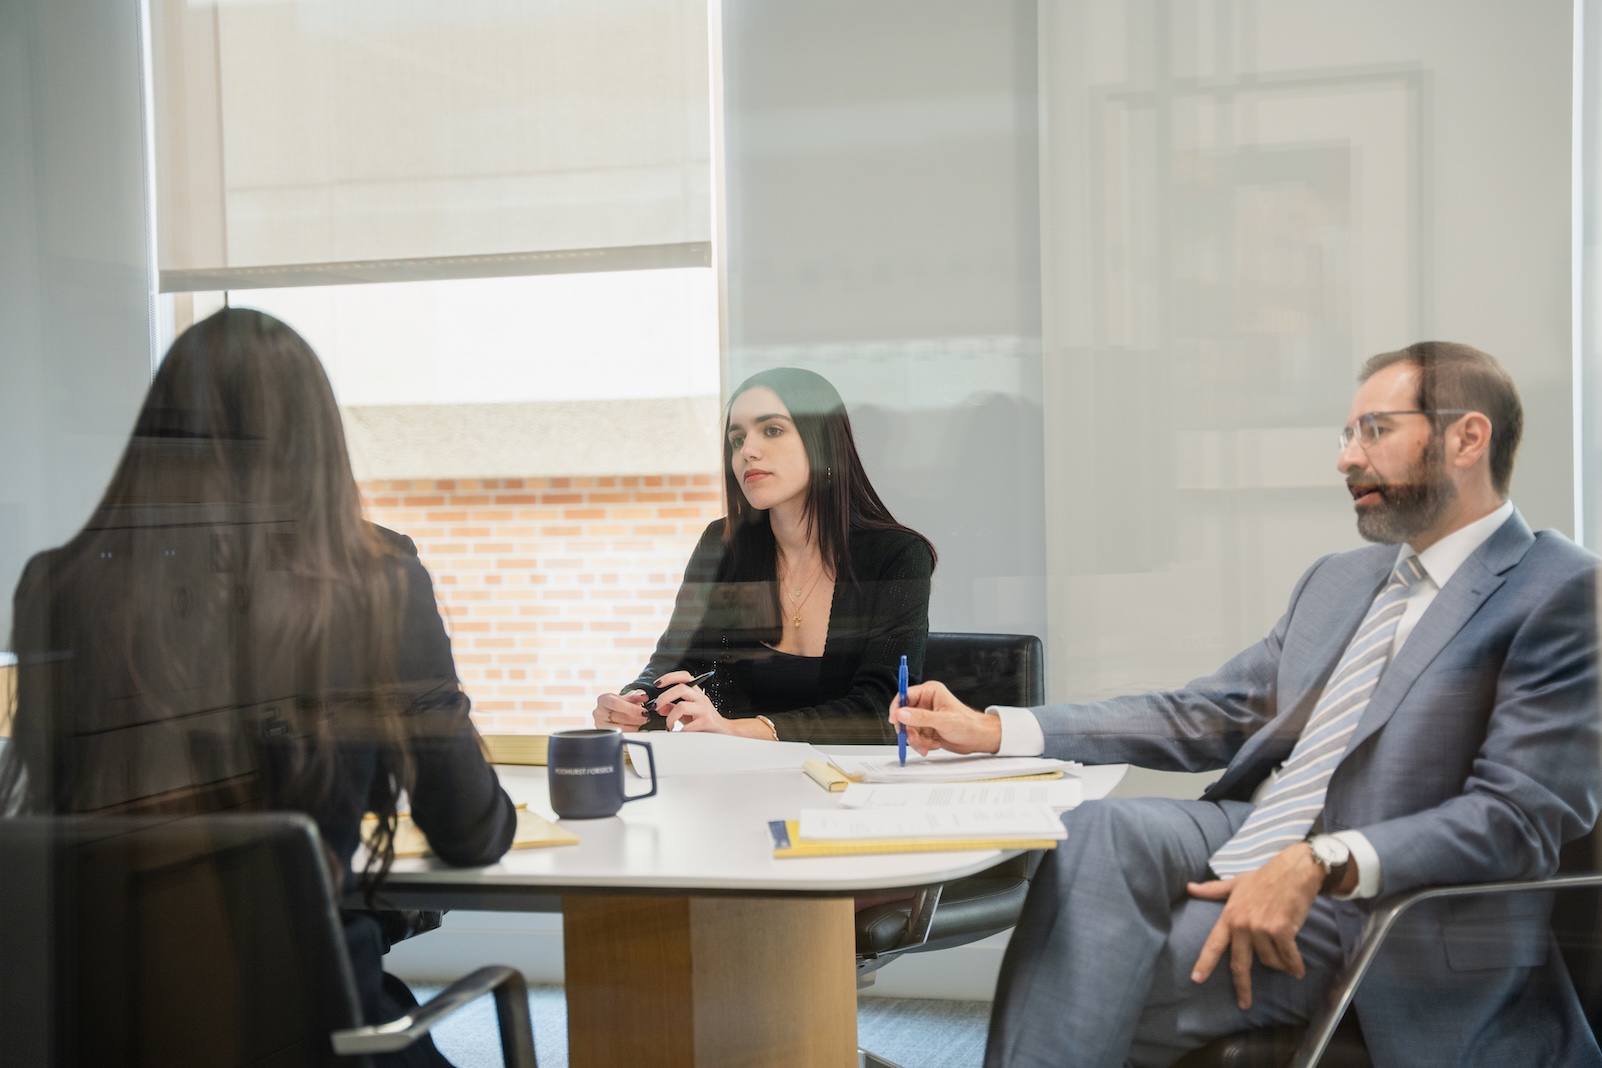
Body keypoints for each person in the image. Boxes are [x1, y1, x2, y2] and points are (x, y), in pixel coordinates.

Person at [891, 342, 1601, 1067]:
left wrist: (1320, 859)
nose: (1347, 458)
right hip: (1257, 826)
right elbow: (1209, 713)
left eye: (1375, 431)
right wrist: (1000, 727)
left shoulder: (1558, 590)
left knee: (1094, 980)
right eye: (1346, 435)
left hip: (1384, 903)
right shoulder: (1342, 580)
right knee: (1095, 831)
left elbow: (1518, 817)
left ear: (1466, 438)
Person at [0, 308, 516, 1068]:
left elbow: (53, 806)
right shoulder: (376, 581)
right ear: (315, 445)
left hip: (95, 1024)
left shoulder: (59, 583)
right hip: (314, 1032)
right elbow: (470, 830)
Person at [592, 366, 935, 743]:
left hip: (852, 788)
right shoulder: (721, 546)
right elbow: (673, 662)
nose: (747, 452)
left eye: (772, 430)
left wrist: (736, 729)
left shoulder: (896, 554)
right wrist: (635, 702)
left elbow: (880, 710)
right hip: (738, 786)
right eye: (737, 440)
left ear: (823, 443)